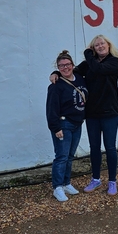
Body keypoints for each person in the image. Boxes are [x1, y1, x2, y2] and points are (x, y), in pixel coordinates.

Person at [52, 35, 118, 195]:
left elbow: (98, 70)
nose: (99, 46)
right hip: (92, 114)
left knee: (110, 147)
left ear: (108, 45)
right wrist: (56, 72)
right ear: (93, 48)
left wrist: (87, 54)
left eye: (102, 43)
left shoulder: (114, 62)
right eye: (96, 45)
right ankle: (96, 179)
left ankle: (112, 181)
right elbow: (71, 72)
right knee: (94, 148)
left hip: (110, 112)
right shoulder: (89, 63)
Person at [46, 50, 88, 202]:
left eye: (67, 64)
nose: (65, 68)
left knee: (70, 156)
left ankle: (66, 183)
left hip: (77, 123)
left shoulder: (81, 79)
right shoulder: (56, 86)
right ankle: (57, 187)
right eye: (61, 66)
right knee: (62, 156)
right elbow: (51, 109)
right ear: (58, 67)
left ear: (72, 65)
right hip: (64, 124)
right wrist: (56, 128)